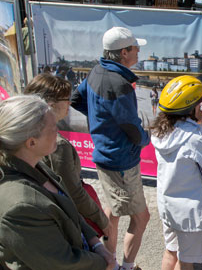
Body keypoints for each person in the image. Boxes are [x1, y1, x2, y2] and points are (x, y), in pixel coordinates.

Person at [0, 95, 115, 270]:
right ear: (31, 142)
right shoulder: (19, 207)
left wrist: (96, 244)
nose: (58, 133)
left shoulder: (36, 166)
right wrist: (104, 262)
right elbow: (62, 263)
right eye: (53, 129)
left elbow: (69, 212)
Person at [71, 26, 150, 270]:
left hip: (105, 155)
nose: (139, 52)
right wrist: (147, 138)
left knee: (113, 212)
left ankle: (108, 261)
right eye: (136, 48)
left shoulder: (97, 70)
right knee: (141, 217)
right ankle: (124, 267)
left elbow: (76, 99)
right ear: (124, 52)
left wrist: (99, 120)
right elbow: (132, 128)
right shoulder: (119, 83)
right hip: (121, 161)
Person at [24, 73, 111, 236]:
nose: (69, 103)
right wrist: (100, 219)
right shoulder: (57, 145)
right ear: (50, 105)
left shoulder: (25, 135)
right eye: (66, 100)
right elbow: (72, 190)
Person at [151, 76, 202, 270]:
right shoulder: (194, 139)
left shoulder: (160, 131)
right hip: (190, 212)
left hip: (168, 205)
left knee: (170, 251)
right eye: (201, 103)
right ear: (193, 107)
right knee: (186, 261)